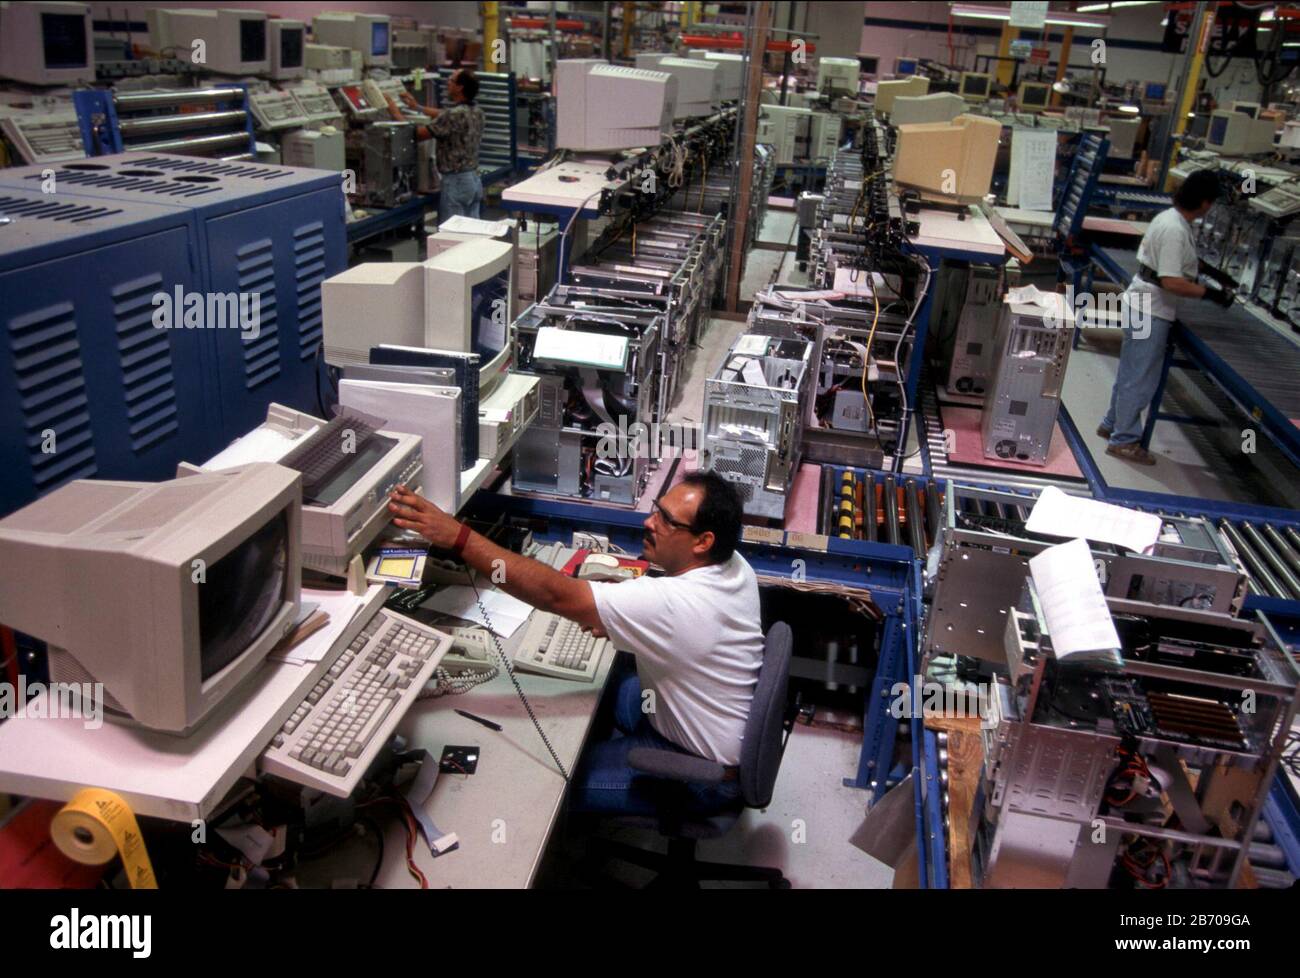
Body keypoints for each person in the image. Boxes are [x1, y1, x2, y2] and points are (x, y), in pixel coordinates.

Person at [387, 472, 765, 816]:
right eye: (656, 510)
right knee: (599, 691)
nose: (649, 522)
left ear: (704, 541)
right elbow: (682, 625)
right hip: (697, 716)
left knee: (550, 790)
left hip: (702, 771)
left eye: (667, 521)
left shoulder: (669, 602)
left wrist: (459, 537)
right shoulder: (734, 565)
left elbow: (556, 596)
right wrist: (621, 615)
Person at [1099, 168, 1232, 465]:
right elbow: (1172, 281)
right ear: (1206, 203)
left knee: (1130, 372)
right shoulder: (1175, 229)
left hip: (1142, 302)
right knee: (1140, 378)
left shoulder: (1169, 218)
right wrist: (1210, 294)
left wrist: (1211, 274)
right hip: (1151, 308)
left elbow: (1177, 264)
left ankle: (1111, 424)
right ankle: (1124, 440)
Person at [384, 67, 485, 223]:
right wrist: (417, 107)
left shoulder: (453, 115)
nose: (447, 84)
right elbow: (444, 114)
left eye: (451, 80)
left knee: (452, 237)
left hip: (455, 182)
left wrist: (394, 111)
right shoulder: (476, 111)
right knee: (471, 235)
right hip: (473, 180)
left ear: (460, 87)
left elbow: (415, 134)